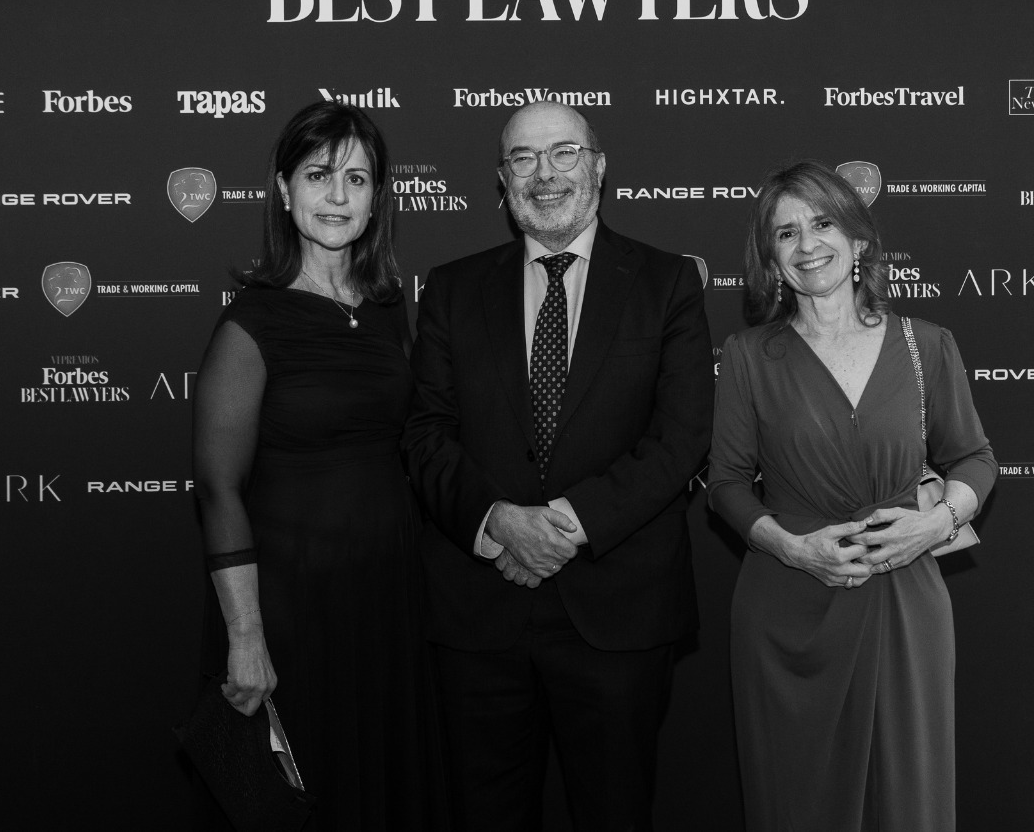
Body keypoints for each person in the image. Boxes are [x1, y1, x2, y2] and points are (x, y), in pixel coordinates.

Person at [403, 101, 714, 832]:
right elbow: (425, 433)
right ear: (502, 178)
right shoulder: (451, 288)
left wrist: (563, 527)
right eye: (523, 158)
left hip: (619, 614)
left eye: (563, 153)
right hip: (479, 616)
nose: (544, 174)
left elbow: (680, 438)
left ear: (598, 167)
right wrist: (499, 522)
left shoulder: (667, 282)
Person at [705, 160, 996, 832]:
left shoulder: (927, 345)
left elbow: (975, 459)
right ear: (770, 260)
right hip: (789, 607)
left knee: (908, 798)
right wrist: (793, 549)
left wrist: (936, 524)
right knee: (797, 800)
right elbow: (725, 484)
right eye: (785, 234)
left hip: (904, 601)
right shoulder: (748, 357)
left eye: (823, 224)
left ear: (858, 240)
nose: (807, 245)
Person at [189, 101, 448, 830]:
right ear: (283, 189)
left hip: (388, 597)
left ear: (377, 197)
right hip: (293, 608)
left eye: (356, 179)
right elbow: (218, 489)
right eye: (318, 175)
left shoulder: (390, 308)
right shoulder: (252, 322)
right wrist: (246, 637)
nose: (337, 196)